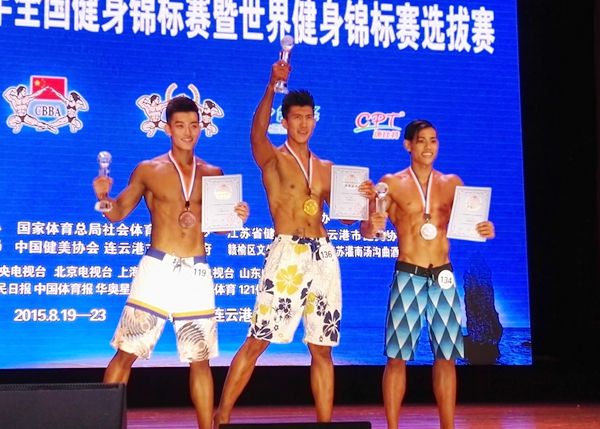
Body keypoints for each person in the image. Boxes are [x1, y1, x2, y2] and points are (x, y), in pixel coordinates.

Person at [213, 61, 375, 428]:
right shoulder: (273, 159)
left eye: (308, 117)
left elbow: (348, 219)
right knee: (258, 339)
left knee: (323, 347)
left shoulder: (326, 168)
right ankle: (221, 418)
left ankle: (325, 423)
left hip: (323, 255)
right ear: (284, 121)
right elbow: (255, 133)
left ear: (315, 121)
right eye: (296, 117)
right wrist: (273, 85)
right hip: (288, 253)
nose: (303, 123)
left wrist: (364, 199)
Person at [92, 96, 249, 429]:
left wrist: (238, 216)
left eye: (193, 126)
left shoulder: (213, 174)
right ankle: (103, 423)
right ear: (167, 129)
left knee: (200, 360)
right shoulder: (149, 170)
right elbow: (117, 214)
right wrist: (103, 198)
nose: (188, 133)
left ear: (200, 128)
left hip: (196, 271)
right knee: (126, 352)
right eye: (180, 126)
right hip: (158, 269)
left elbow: (222, 228)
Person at [361, 120, 495, 429]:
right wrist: (371, 222)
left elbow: (471, 223)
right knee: (396, 357)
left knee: (447, 356)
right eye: (421, 140)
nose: (428, 146)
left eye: (433, 140)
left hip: (443, 276)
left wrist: (484, 228)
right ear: (408, 145)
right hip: (409, 274)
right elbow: (369, 229)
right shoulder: (391, 183)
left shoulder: (452, 183)